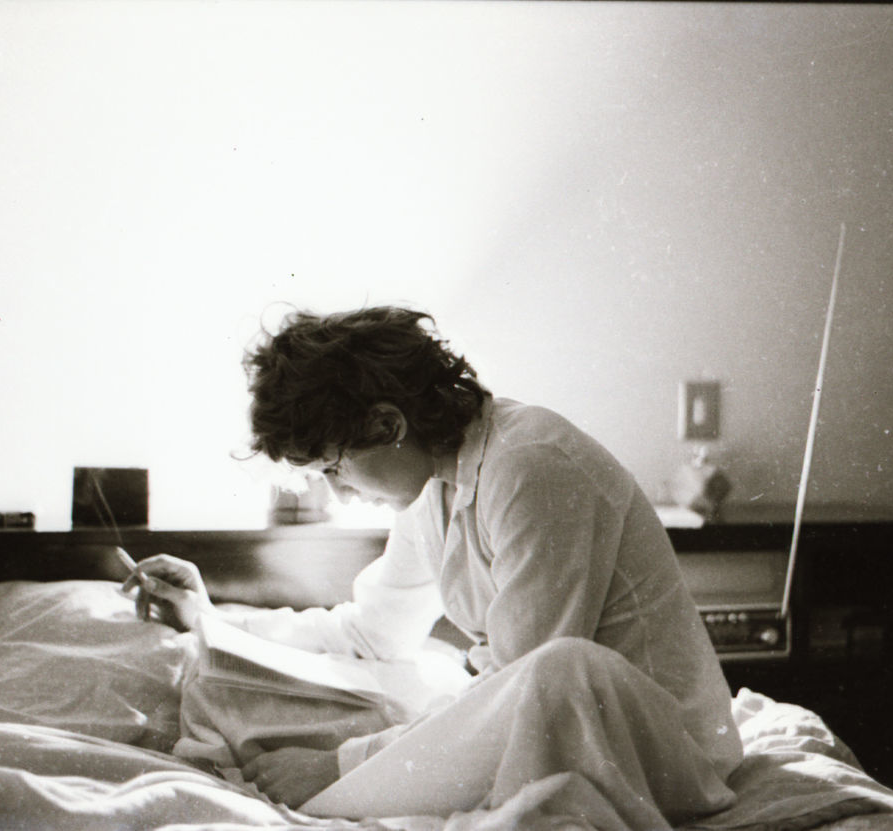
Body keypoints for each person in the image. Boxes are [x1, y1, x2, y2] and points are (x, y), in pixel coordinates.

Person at [127, 306, 743, 827]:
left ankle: (338, 790)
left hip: (660, 751)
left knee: (552, 669)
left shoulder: (532, 464)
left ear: (388, 423)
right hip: (557, 721)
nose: (340, 494)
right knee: (411, 677)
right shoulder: (432, 490)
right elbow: (371, 634)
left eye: (335, 469)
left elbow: (526, 681)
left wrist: (339, 763)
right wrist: (211, 617)